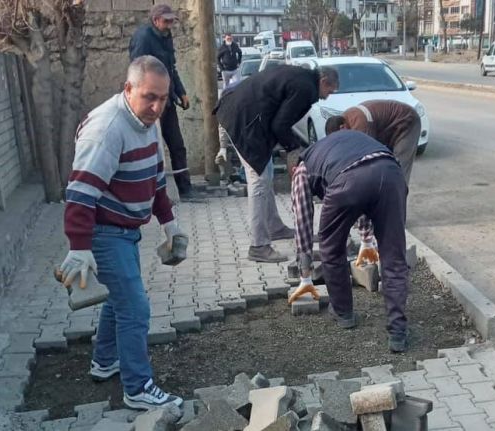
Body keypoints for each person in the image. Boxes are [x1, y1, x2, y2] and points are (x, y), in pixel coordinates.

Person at [59, 56, 185, 410]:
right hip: (104, 232)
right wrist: (80, 247)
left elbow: (155, 176)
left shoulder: (146, 120)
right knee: (135, 307)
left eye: (163, 98)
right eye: (149, 97)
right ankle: (138, 387)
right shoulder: (107, 129)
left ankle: (105, 361)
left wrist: (169, 222)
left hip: (126, 230)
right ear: (128, 89)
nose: (157, 106)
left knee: (120, 299)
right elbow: (81, 190)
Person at [291, 130, 410, 352]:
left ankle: (343, 313)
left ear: (292, 169)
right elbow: (366, 190)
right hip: (391, 172)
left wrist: (305, 273)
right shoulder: (342, 144)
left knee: (331, 248)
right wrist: (367, 241)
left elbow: (302, 220)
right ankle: (398, 332)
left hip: (348, 180)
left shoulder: (301, 169)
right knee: (394, 256)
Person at [213, 65, 339, 263]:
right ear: (323, 82)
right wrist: (294, 148)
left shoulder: (302, 78)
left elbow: (279, 119)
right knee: (258, 181)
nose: (328, 96)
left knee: (267, 172)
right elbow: (280, 124)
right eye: (330, 91)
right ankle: (258, 246)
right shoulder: (306, 88)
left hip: (239, 112)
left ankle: (274, 227)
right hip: (241, 120)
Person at [129, 4, 197, 200]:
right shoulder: (143, 39)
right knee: (151, 151)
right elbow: (138, 73)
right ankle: (152, 195)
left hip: (166, 101)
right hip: (148, 105)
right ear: (155, 20)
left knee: (177, 145)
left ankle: (186, 189)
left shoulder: (166, 37)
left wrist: (181, 92)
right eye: (166, 21)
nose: (170, 25)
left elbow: (171, 68)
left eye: (171, 21)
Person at [325, 100, 421, 184]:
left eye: (339, 137)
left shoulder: (360, 124)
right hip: (389, 128)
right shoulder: (346, 119)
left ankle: (399, 199)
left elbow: (367, 155)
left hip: (407, 121)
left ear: (342, 127)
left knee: (399, 169)